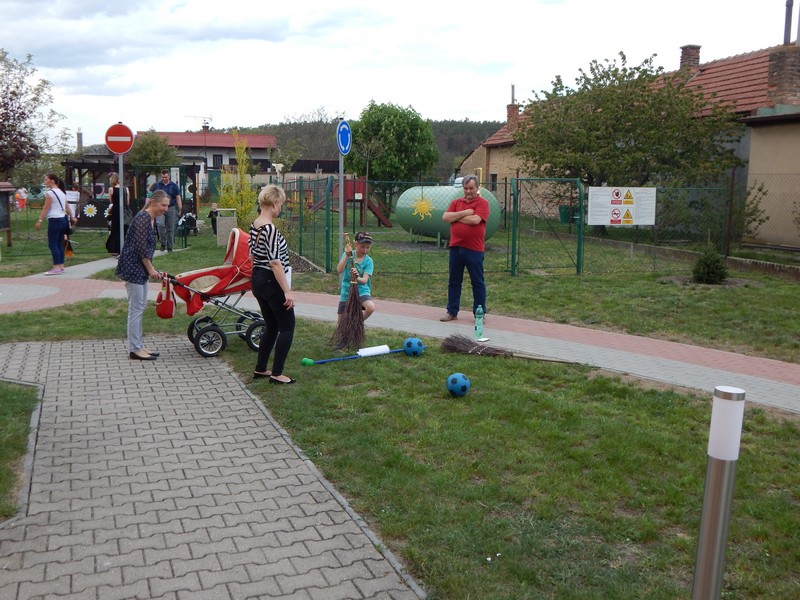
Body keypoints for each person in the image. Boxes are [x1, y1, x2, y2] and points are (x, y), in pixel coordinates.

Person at [249, 185, 296, 384]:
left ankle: (261, 369)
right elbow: (275, 263)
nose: (281, 209)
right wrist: (287, 291)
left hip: (258, 279)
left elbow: (252, 256)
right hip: (271, 281)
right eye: (281, 205)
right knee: (287, 327)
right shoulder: (270, 229)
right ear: (275, 203)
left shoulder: (255, 225)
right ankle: (277, 374)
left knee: (271, 326)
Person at [116, 190, 169, 360]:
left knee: (140, 307)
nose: (166, 209)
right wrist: (151, 269)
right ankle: (134, 349)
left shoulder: (150, 219)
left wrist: (149, 269)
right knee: (136, 308)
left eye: (167, 205)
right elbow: (141, 248)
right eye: (163, 205)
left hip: (140, 268)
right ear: (153, 202)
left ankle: (138, 345)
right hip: (133, 268)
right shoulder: (142, 218)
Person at [440, 174, 490, 321]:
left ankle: (479, 313)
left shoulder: (482, 203)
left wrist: (456, 217)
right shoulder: (456, 202)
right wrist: (465, 212)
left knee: (477, 282)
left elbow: (475, 220)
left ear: (477, 188)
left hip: (474, 249)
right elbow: (445, 217)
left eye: (471, 188)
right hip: (456, 247)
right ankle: (452, 311)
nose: (468, 191)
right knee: (454, 281)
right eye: (466, 188)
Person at [34, 174, 76, 276]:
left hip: (54, 220)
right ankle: (61, 266)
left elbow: (46, 207)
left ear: (52, 181)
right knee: (59, 243)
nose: (45, 182)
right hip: (63, 219)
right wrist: (72, 217)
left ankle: (56, 267)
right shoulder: (62, 193)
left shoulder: (50, 193)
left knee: (53, 244)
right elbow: (67, 207)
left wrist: (40, 220)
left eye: (46, 180)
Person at [336, 231, 376, 322]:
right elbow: (339, 270)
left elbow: (364, 280)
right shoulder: (348, 255)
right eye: (362, 246)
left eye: (368, 247)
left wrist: (357, 277)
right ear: (355, 244)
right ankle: (346, 327)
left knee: (370, 307)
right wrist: (347, 255)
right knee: (341, 322)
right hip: (347, 291)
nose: (365, 250)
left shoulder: (369, 261)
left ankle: (356, 323)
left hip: (362, 292)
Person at [150, 169, 181, 252]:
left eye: (166, 177)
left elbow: (178, 197)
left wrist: (180, 208)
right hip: (160, 208)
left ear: (169, 176)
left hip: (171, 207)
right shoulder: (157, 185)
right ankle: (163, 243)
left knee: (170, 228)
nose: (164, 179)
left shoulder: (174, 186)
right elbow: (153, 196)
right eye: (163, 177)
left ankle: (170, 247)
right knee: (160, 225)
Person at [105, 173, 130, 256]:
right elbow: (127, 202)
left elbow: (111, 201)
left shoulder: (111, 189)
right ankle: (124, 248)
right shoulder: (126, 189)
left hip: (116, 210)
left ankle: (115, 248)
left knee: (115, 229)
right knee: (124, 229)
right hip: (124, 210)